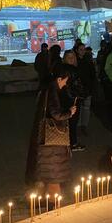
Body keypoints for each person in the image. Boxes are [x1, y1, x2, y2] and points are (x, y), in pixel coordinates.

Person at [29, 67, 77, 197]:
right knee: (53, 174)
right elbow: (56, 114)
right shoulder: (52, 91)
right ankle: (52, 203)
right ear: (59, 79)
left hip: (45, 137)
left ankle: (48, 198)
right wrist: (69, 112)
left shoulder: (47, 89)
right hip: (51, 140)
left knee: (49, 173)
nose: (65, 84)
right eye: (64, 81)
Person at [76, 43, 96, 136]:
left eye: (84, 49)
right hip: (78, 89)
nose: (83, 51)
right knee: (79, 107)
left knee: (86, 108)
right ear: (77, 50)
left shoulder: (88, 61)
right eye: (81, 49)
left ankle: (84, 125)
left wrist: (92, 87)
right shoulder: (75, 61)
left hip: (87, 88)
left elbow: (93, 75)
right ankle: (79, 125)